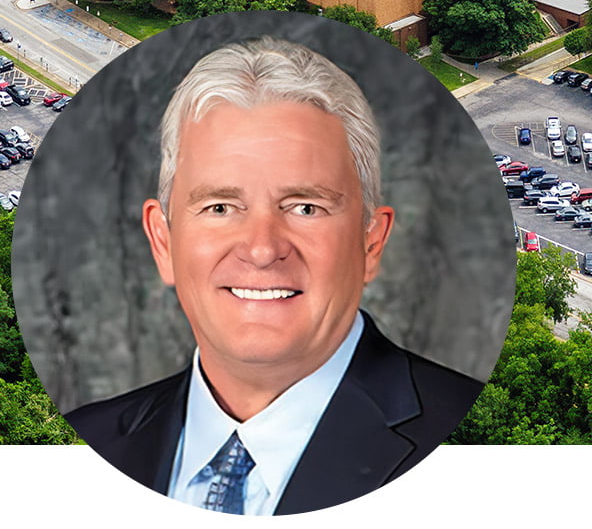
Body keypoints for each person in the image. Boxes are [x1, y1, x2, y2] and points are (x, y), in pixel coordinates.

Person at [64, 37, 483, 515]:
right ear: (163, 241)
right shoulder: (90, 439)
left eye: (305, 207)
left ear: (371, 242)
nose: (262, 250)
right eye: (220, 207)